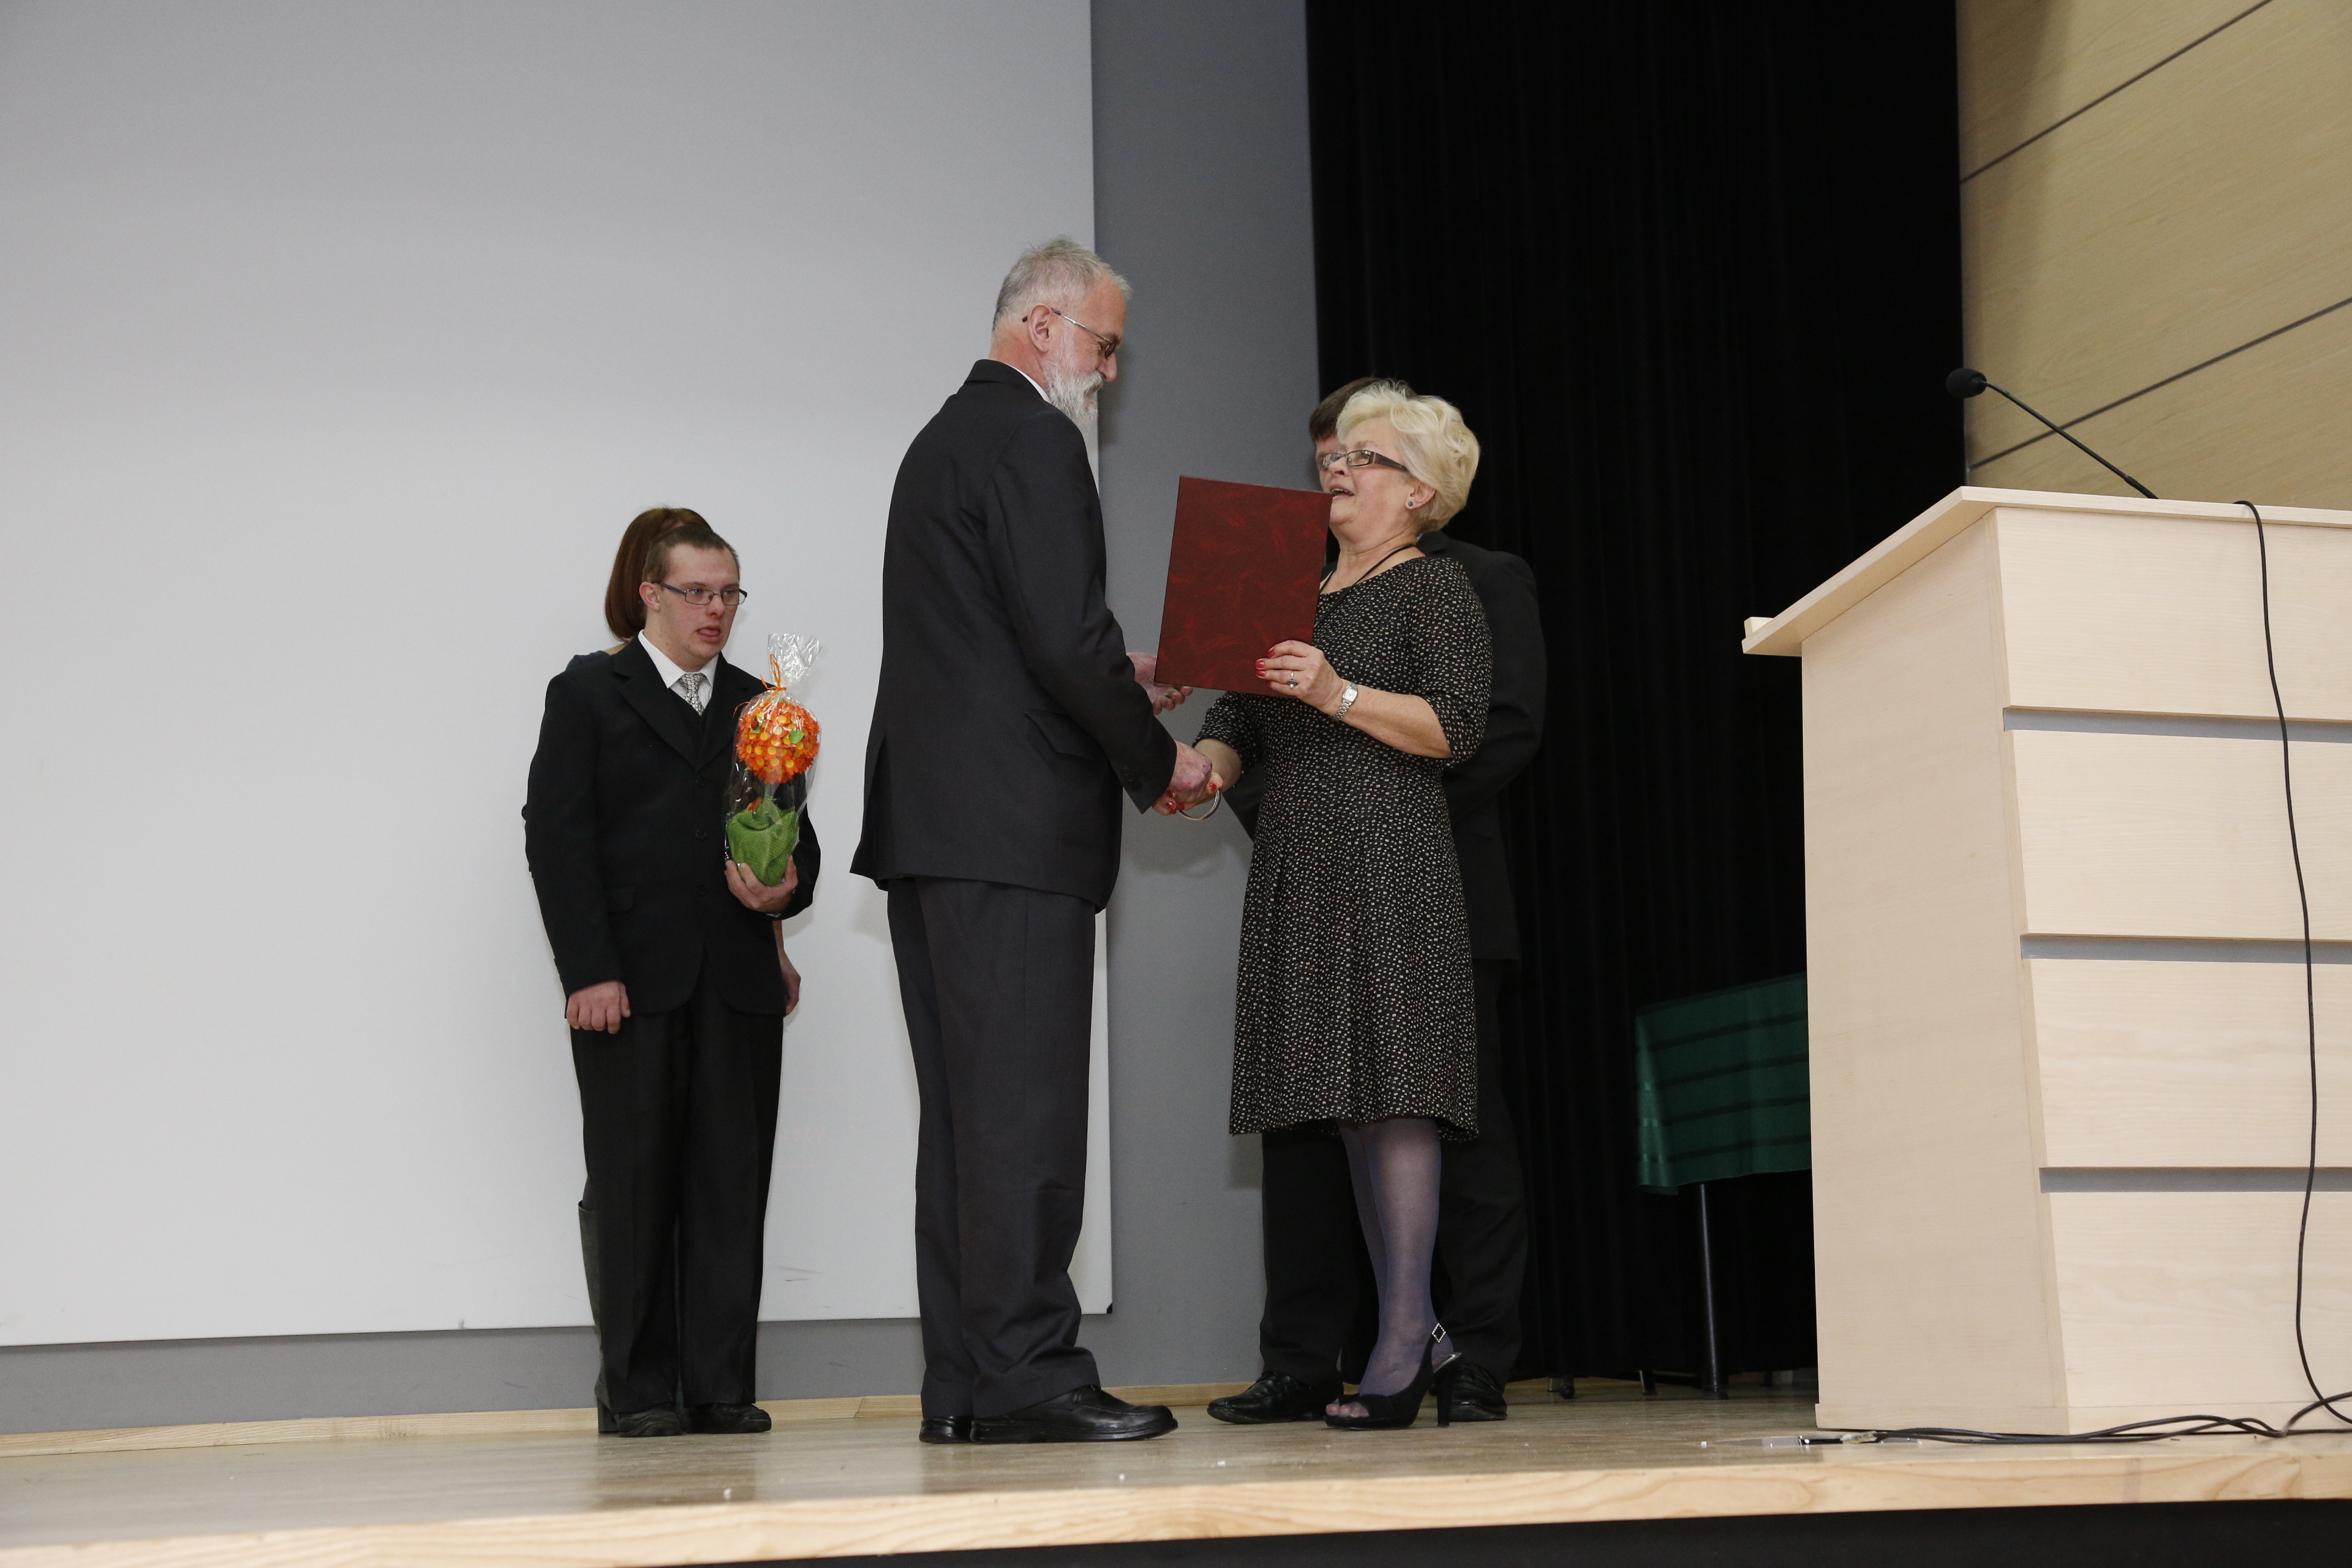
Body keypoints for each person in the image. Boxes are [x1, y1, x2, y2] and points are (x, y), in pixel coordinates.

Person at [853, 238, 1213, 1445]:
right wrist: (1160, 761)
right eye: (1103, 346)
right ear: (1043, 325)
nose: (1107, 372)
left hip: (938, 831)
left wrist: (1118, 670)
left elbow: (1012, 637)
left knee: (967, 1125)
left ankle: (963, 1384)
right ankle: (1030, 1374)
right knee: (1021, 1116)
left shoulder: (942, 440)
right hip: (1012, 835)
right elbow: (1061, 640)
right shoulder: (1035, 440)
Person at [1209, 382, 1547, 1427]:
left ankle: (1416, 1342)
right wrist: (1198, 765)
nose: (1339, 469)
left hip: (1399, 861)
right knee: (1339, 1109)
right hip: (1303, 866)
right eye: (1336, 456)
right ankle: (1377, 1338)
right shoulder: (1287, 584)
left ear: (1421, 490)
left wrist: (1338, 700)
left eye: (1367, 457)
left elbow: (1464, 729)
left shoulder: (1442, 585)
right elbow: (1238, 713)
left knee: (1405, 1100)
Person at [525, 515, 819, 1439]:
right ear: (649, 593)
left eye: (729, 593)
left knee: (732, 1187)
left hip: (737, 980)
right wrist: (589, 971)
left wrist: (782, 896)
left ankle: (720, 1387)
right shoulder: (588, 691)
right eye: (697, 592)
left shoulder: (759, 705)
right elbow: (557, 840)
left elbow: (795, 838)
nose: (715, 610)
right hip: (628, 985)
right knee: (634, 1187)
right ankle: (640, 1392)